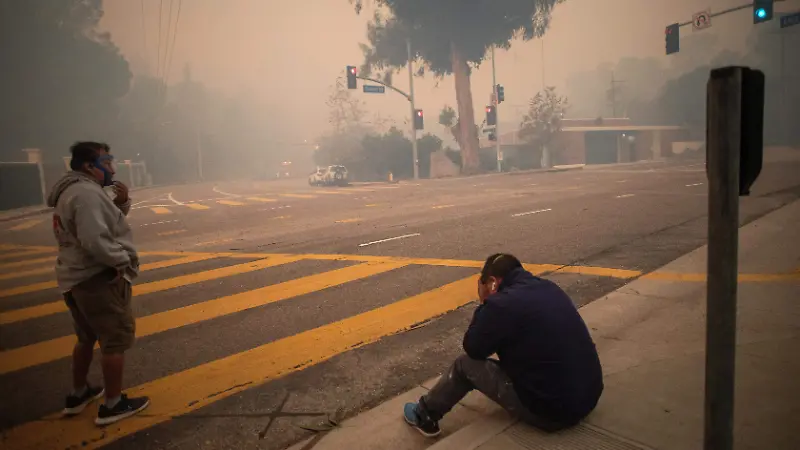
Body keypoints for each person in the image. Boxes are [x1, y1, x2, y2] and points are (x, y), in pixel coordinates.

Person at [403, 253, 603, 437]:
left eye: (480, 287)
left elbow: (474, 347)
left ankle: (425, 415)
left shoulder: (500, 304)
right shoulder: (548, 287)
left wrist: (485, 305)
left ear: (491, 283)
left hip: (553, 412)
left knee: (465, 365)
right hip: (589, 398)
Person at [47, 141, 149, 426]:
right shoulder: (86, 194)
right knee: (114, 341)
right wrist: (121, 262)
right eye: (107, 161)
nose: (112, 168)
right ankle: (113, 404)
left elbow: (103, 226)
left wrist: (122, 204)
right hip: (96, 278)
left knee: (86, 337)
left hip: (74, 276)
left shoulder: (73, 191)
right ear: (89, 166)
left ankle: (78, 394)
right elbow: (95, 240)